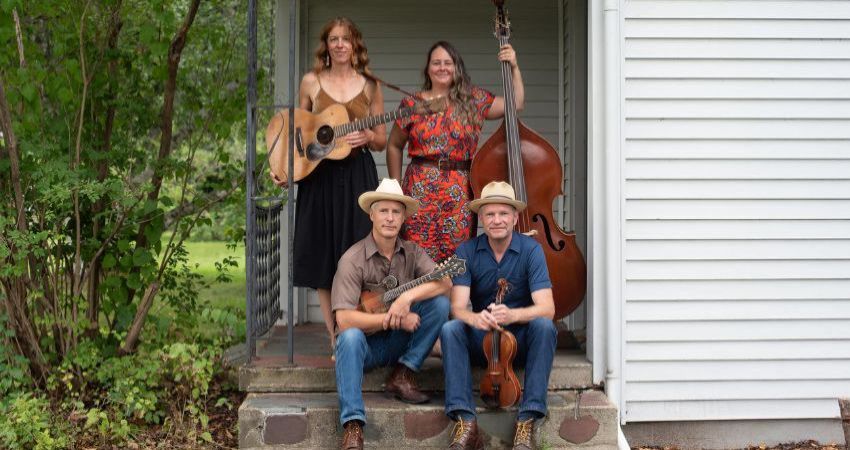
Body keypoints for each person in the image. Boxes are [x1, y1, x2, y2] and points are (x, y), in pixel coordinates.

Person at [271, 17, 386, 352]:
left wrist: (368, 135)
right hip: (319, 176)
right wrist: (285, 169)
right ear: (326, 45)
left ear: (355, 44)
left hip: (358, 175)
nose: (339, 45)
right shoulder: (311, 82)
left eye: (345, 39)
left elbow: (382, 140)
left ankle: (356, 329)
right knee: (324, 253)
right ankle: (335, 335)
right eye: (333, 39)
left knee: (360, 251)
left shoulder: (370, 85)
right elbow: (297, 131)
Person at [332, 178, 451, 450]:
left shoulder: (413, 252)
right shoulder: (352, 259)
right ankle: (353, 425)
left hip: (398, 342)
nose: (389, 218)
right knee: (349, 338)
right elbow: (344, 320)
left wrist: (407, 298)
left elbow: (445, 283)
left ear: (403, 218)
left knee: (439, 305)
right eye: (383, 211)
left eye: (396, 212)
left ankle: (403, 373)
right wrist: (390, 319)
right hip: (364, 348)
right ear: (371, 215)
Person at [440, 181, 557, 450]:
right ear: (481, 219)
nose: (497, 220)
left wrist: (513, 315)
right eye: (490, 214)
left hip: (519, 340)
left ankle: (527, 420)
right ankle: (465, 421)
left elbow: (547, 308)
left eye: (503, 213)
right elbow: (457, 307)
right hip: (483, 339)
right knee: (450, 330)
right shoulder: (466, 251)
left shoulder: (531, 250)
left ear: (515, 218)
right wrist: (475, 318)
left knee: (544, 327)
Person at [386, 41, 525, 263]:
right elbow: (394, 145)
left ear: (456, 67)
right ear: (428, 69)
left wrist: (514, 66)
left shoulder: (472, 100)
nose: (442, 67)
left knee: (457, 259)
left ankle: (453, 289)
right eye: (436, 63)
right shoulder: (412, 104)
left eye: (447, 63)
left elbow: (515, 103)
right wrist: (395, 189)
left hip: (459, 192)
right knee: (415, 256)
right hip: (419, 190)